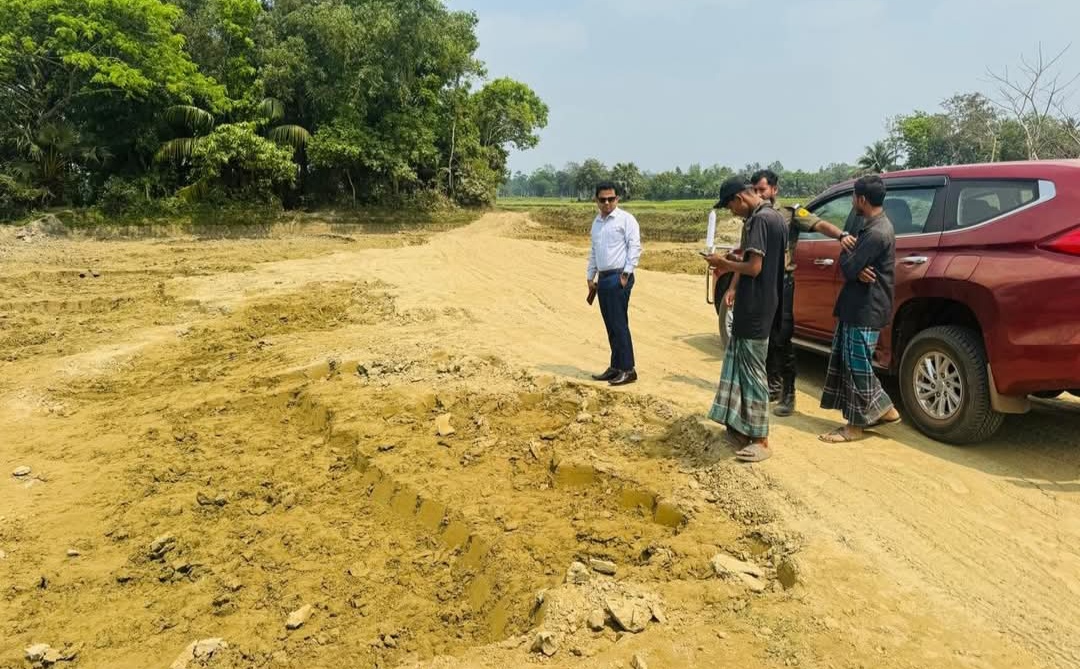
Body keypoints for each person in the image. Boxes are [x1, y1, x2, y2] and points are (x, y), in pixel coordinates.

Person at [730, 169, 853, 417]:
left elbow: (818, 224)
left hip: (783, 283)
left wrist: (841, 235)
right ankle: (772, 386)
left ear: (774, 190)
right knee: (763, 336)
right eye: (755, 189)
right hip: (759, 284)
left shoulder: (790, 214)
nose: (759, 193)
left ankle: (789, 393)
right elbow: (746, 254)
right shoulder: (752, 219)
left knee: (782, 337)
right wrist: (732, 286)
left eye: (763, 189)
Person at [704, 177, 788, 462]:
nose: (732, 212)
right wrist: (732, 283)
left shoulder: (759, 222)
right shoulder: (774, 217)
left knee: (752, 372)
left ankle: (761, 439)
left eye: (730, 206)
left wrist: (723, 264)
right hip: (759, 303)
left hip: (756, 306)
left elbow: (754, 266)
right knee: (739, 364)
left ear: (740, 198)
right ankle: (741, 427)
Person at [819, 174, 902, 442]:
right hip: (858, 305)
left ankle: (857, 426)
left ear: (862, 199)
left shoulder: (876, 232)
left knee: (857, 367)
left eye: (854, 197)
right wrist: (852, 263)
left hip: (866, 307)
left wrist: (849, 258)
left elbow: (849, 266)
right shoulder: (871, 226)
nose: (853, 201)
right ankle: (884, 410)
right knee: (853, 363)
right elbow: (852, 266)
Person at [587, 182, 642, 386]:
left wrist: (626, 274)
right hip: (603, 277)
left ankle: (628, 369)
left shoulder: (626, 220)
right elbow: (594, 251)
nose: (607, 203)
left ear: (617, 199)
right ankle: (616, 366)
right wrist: (590, 276)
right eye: (603, 199)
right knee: (610, 324)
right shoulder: (597, 223)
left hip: (619, 277)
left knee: (619, 324)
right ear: (597, 200)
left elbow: (634, 247)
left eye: (611, 199)